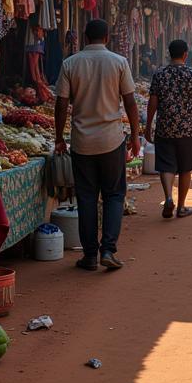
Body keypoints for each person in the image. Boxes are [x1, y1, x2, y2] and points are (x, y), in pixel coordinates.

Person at [54, 18, 141, 271]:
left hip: (82, 142)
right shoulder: (119, 62)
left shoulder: (70, 63)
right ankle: (108, 250)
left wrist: (59, 137)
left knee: (87, 198)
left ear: (84, 37)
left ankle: (90, 255)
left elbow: (61, 104)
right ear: (107, 38)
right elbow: (130, 103)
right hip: (112, 139)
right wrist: (135, 135)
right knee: (114, 195)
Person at [145, 38, 192, 219]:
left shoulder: (160, 74)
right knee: (185, 168)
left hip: (164, 128)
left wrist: (148, 125)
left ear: (169, 54)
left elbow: (153, 101)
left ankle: (168, 197)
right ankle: (181, 206)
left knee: (166, 165)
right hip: (187, 130)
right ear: (185, 55)